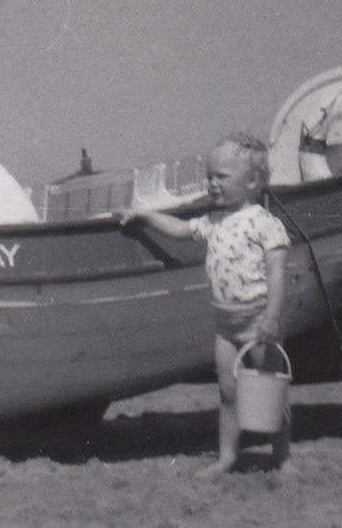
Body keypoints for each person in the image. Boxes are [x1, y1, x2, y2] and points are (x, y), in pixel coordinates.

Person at [118, 132, 291, 475]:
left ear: (253, 181)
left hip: (258, 321)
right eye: (209, 176)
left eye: (221, 176)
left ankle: (282, 456)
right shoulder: (213, 223)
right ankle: (227, 456)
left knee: (272, 390)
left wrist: (272, 317)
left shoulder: (265, 224)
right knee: (228, 393)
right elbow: (180, 229)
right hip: (226, 327)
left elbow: (276, 275)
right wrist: (146, 215)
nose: (212, 183)